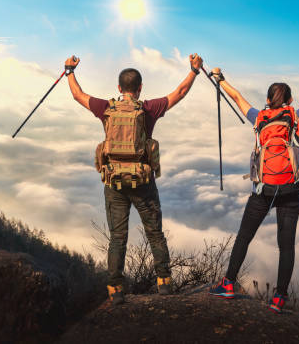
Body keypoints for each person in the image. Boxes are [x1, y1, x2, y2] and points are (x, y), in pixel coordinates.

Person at [208, 49, 299, 313]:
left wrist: (219, 77)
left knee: (244, 237)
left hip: (263, 190)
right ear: (290, 99)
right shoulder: (296, 116)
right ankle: (279, 298)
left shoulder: (259, 118)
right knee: (286, 245)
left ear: (267, 99)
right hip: (290, 190)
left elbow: (236, 97)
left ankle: (228, 284)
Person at [65, 53, 204, 305]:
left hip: (114, 183)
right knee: (155, 234)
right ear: (140, 88)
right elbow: (180, 92)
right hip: (143, 183)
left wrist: (69, 70)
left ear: (119, 88)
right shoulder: (149, 109)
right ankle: (164, 282)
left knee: (118, 237)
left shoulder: (106, 108)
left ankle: (115, 288)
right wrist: (194, 70)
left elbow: (78, 95)